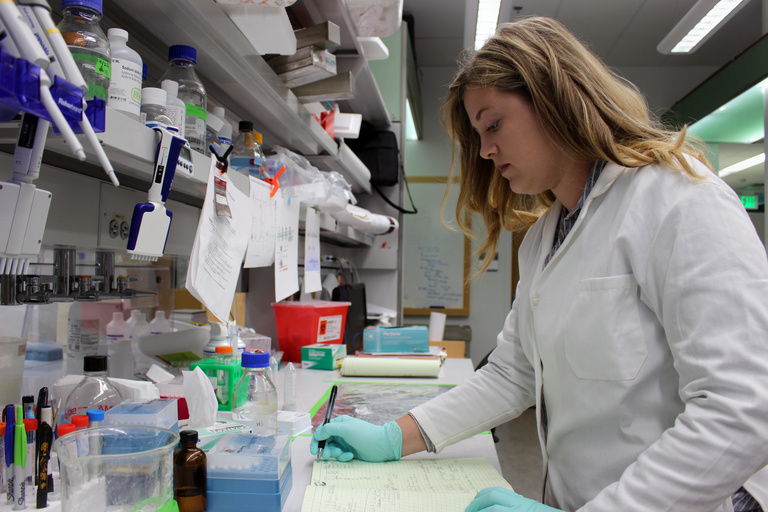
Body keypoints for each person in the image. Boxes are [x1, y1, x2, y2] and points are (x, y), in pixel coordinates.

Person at [310, 16, 768, 512]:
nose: (485, 150)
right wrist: (395, 437)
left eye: (493, 124)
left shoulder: (679, 200)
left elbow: (742, 407)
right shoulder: (545, 236)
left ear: (553, 97)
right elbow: (514, 373)